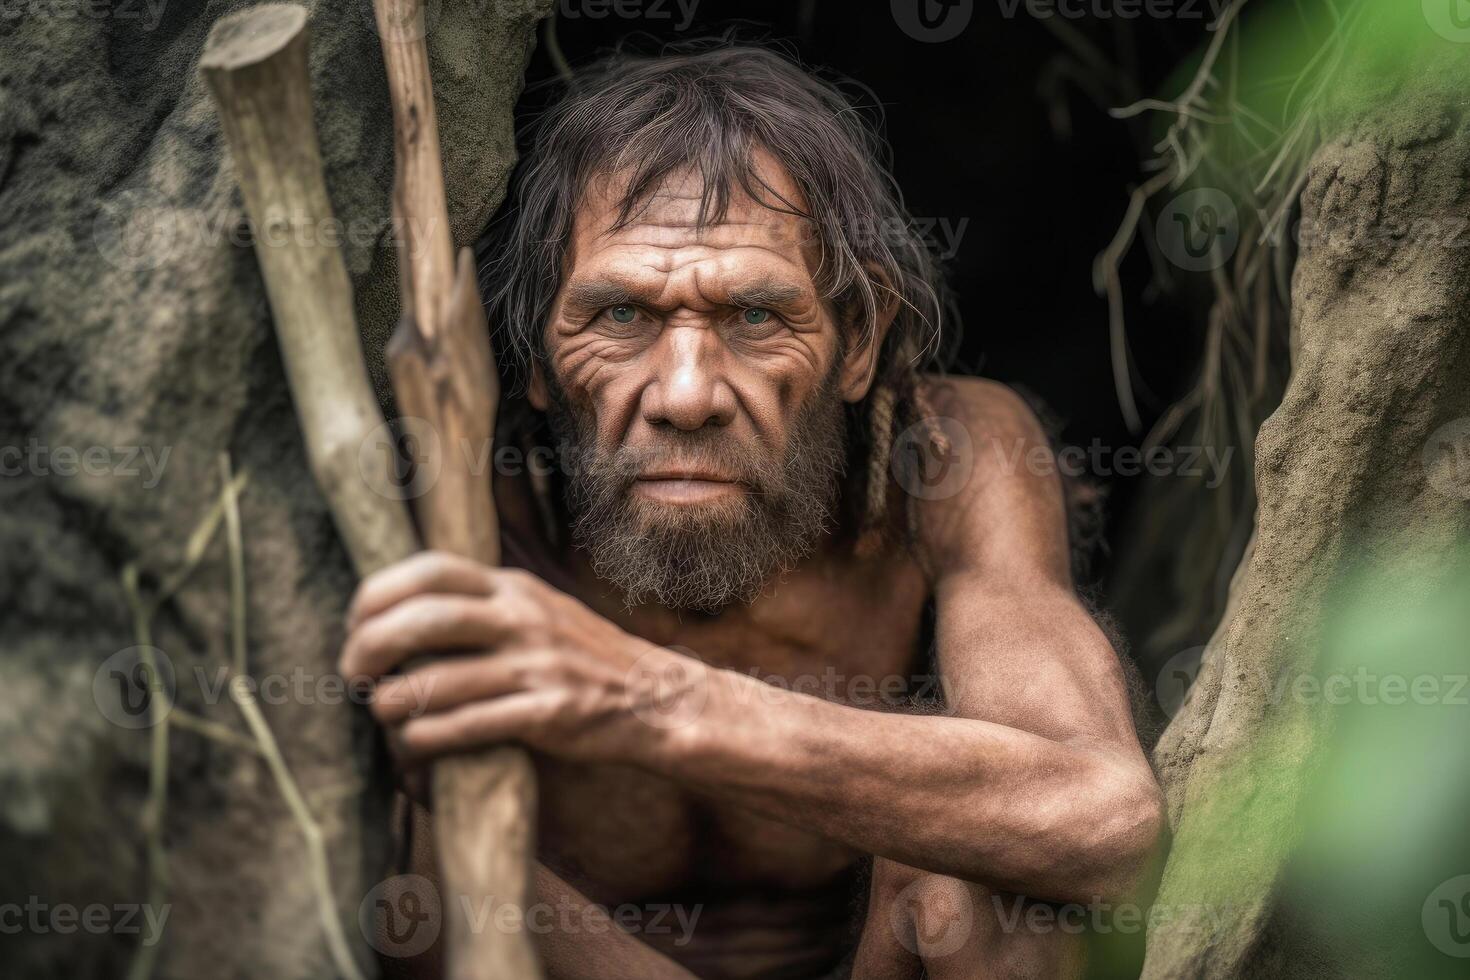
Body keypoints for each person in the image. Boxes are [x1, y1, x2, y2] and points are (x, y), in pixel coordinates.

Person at [340, 44, 1162, 980]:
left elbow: (1103, 820)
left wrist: (640, 697)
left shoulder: (940, 460)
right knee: (399, 842)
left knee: (993, 885)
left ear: (859, 341)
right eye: (620, 316)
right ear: (532, 359)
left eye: (756, 317)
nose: (686, 395)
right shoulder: (460, 519)